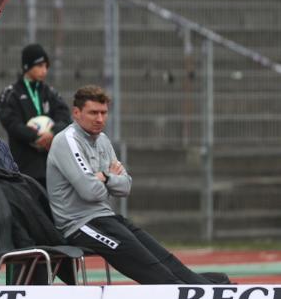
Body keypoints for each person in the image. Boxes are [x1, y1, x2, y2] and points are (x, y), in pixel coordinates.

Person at [48, 86, 228, 285]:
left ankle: (208, 288)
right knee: (150, 267)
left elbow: (125, 187)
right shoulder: (66, 140)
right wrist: (108, 179)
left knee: (163, 258)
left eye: (103, 113)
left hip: (106, 218)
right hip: (80, 226)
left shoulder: (102, 140)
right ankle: (184, 298)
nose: (99, 119)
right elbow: (90, 191)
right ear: (76, 113)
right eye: (93, 113)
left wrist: (104, 178)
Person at [0, 44, 71, 188]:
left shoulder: (51, 93)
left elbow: (65, 117)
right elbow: (11, 122)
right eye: (39, 66)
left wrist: (51, 133)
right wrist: (36, 136)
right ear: (26, 66)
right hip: (23, 166)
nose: (44, 70)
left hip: (51, 166)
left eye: (46, 66)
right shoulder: (11, 93)